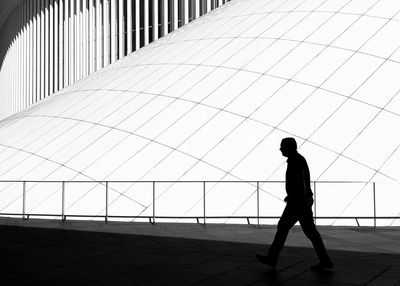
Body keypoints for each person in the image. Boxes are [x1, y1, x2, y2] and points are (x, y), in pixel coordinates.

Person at [256, 137, 333, 270]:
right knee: (310, 232)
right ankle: (325, 260)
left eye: (282, 146)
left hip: (298, 204)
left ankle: (272, 258)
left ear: (289, 147)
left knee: (284, 228)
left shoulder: (295, 161)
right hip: (300, 202)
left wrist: (298, 200)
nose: (280, 148)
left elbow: (301, 183)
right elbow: (300, 183)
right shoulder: (297, 159)